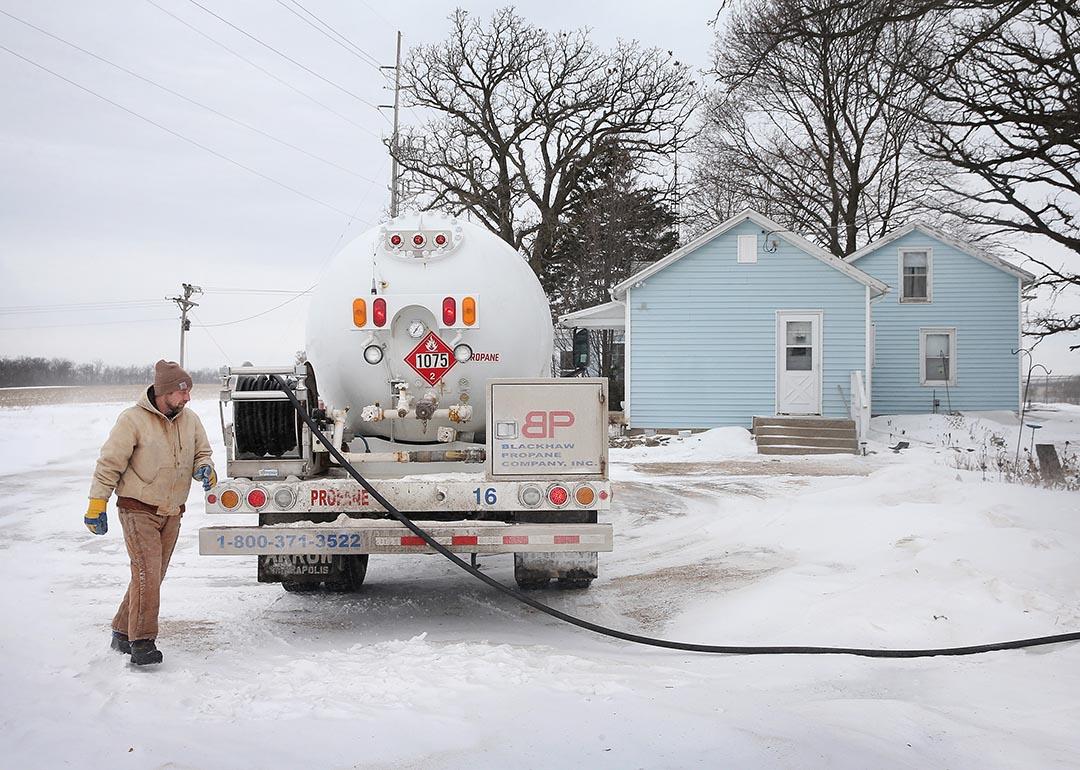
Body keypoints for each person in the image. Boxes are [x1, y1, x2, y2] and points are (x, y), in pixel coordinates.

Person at [84, 360, 216, 666]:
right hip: (137, 508)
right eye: (183, 392)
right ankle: (141, 642)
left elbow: (202, 453)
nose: (188, 398)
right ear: (165, 392)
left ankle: (121, 629)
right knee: (147, 573)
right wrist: (96, 504)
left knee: (152, 575)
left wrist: (205, 468)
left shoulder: (190, 420)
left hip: (172, 511)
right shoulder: (132, 420)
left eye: (189, 392)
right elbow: (109, 463)